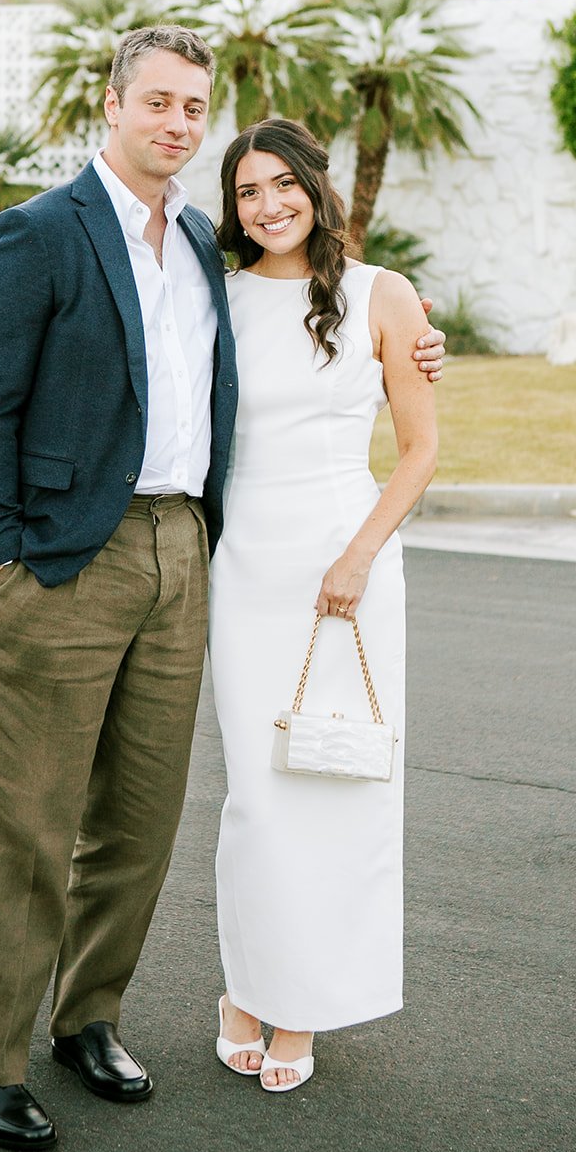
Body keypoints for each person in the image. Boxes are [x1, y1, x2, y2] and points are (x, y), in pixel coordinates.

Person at [0, 27, 445, 1152]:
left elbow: (318, 335)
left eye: (191, 107)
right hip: (68, 556)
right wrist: (2, 553)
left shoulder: (203, 247)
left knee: (139, 819)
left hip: (189, 552)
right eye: (156, 101)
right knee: (29, 819)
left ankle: (87, 1017)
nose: (175, 121)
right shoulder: (37, 233)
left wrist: (417, 348)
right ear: (112, 104)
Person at [210, 117, 438, 1093]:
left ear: (314, 184)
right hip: (243, 567)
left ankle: (303, 1003)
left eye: (280, 184)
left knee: (334, 787)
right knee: (257, 797)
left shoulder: (381, 294)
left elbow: (419, 451)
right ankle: (244, 992)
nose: (266, 205)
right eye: (246, 191)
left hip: (347, 569)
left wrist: (354, 556)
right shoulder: (212, 298)